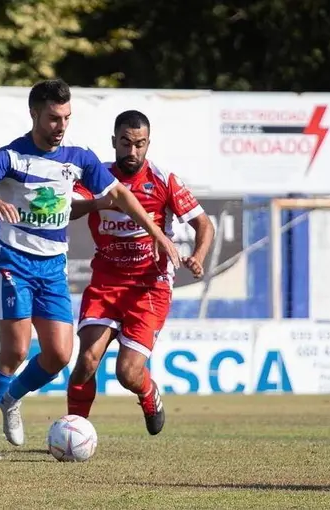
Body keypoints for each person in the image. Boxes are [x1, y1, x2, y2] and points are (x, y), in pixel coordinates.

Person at [0, 80, 181, 460]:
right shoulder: (12, 156)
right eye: (53, 118)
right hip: (13, 260)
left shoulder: (79, 157)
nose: (61, 125)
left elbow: (120, 195)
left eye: (66, 117)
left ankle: (10, 398)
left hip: (52, 266)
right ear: (34, 115)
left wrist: (156, 232)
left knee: (60, 355)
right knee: (13, 351)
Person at [66, 110, 214, 435]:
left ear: (147, 144)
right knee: (86, 362)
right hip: (106, 283)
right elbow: (69, 208)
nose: (132, 151)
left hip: (149, 288)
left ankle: (147, 392)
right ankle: (75, 432)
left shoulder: (163, 179)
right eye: (125, 143)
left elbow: (204, 223)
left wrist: (198, 257)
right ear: (114, 142)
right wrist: (101, 202)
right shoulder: (98, 176)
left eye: (139, 144)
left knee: (127, 373)